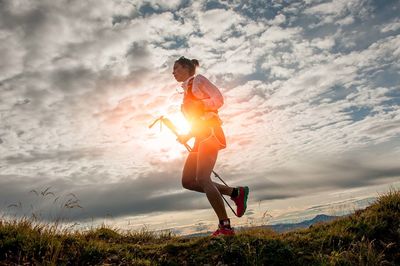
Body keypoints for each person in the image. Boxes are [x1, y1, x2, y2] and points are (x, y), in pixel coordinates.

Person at [172, 56, 249, 236]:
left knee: (203, 179)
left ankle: (225, 227)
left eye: (176, 68)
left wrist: (200, 104)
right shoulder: (185, 92)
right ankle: (235, 192)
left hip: (211, 133)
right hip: (200, 135)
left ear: (186, 68)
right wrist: (187, 135)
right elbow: (196, 120)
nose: (173, 73)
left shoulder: (199, 80)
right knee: (188, 181)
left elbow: (218, 99)